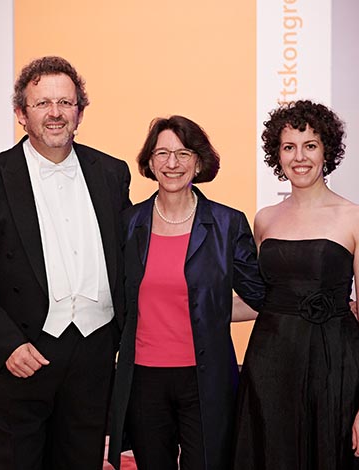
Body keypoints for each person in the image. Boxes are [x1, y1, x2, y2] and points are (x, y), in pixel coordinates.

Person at [0, 56, 131, 470]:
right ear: (20, 114)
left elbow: (126, 261)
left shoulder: (112, 174)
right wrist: (6, 345)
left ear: (80, 111)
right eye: (42, 103)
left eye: (66, 102)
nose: (56, 113)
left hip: (92, 358)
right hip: (19, 358)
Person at [107, 115, 266, 470]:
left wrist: (333, 304)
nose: (172, 163)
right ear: (150, 162)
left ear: (199, 161)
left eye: (183, 153)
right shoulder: (128, 224)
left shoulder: (227, 224)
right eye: (162, 153)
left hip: (205, 377)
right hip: (144, 378)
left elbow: (260, 298)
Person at [233, 100, 359, 469]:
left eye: (310, 145)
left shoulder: (358, 219)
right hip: (269, 368)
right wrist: (188, 306)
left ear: (327, 150)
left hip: (333, 368)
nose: (299, 157)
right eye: (289, 147)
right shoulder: (265, 220)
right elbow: (261, 301)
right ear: (277, 155)